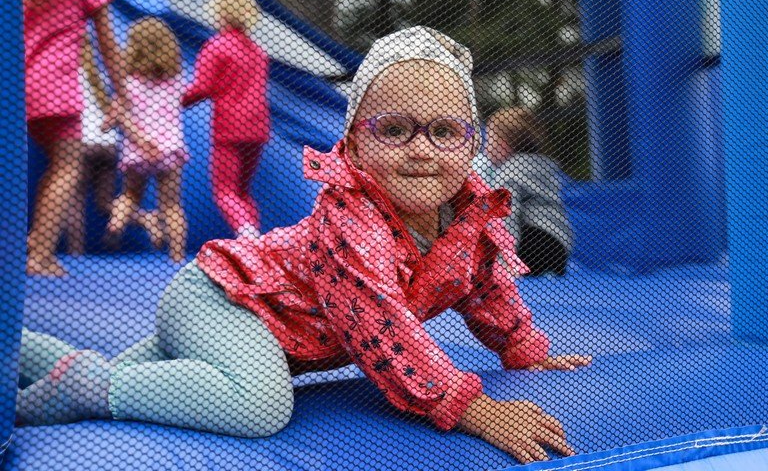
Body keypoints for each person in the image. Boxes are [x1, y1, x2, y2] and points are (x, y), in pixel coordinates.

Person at [16, 27, 591, 465]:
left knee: (146, 375)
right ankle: (93, 390)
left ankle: (19, 350)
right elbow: (381, 325)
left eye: (444, 132)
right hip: (224, 301)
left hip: (253, 333)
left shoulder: (468, 218)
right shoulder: (352, 220)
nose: (421, 149)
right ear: (355, 144)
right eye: (394, 130)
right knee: (260, 405)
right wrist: (476, 410)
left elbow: (486, 286)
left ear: (472, 146)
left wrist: (523, 349)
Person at [23, 0, 123, 276]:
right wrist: (122, 94)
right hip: (57, 88)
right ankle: (39, 256)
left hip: (20, 86)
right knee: (68, 167)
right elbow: (108, 45)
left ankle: (36, 243)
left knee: (57, 166)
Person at [182, 0, 270, 239]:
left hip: (230, 126)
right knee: (242, 191)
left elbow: (202, 87)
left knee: (224, 191)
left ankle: (248, 234)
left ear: (220, 13)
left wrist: (169, 100)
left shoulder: (217, 46)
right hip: (258, 127)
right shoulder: (257, 51)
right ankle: (256, 241)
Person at [107, 18, 189, 263]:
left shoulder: (127, 84)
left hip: (137, 152)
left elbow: (118, 115)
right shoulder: (176, 81)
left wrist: (137, 136)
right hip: (169, 149)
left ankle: (116, 223)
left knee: (130, 195)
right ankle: (177, 255)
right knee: (171, 205)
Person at [484, 107, 574, 276]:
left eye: (489, 141)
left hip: (535, 243)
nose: (486, 149)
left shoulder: (509, 170)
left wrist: (505, 263)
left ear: (503, 145)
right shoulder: (541, 165)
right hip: (560, 245)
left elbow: (508, 215)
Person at [65, 37, 119, 256]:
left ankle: (75, 253)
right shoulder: (100, 76)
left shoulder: (69, 75)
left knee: (76, 200)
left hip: (83, 144)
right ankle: (144, 218)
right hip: (109, 145)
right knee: (104, 203)